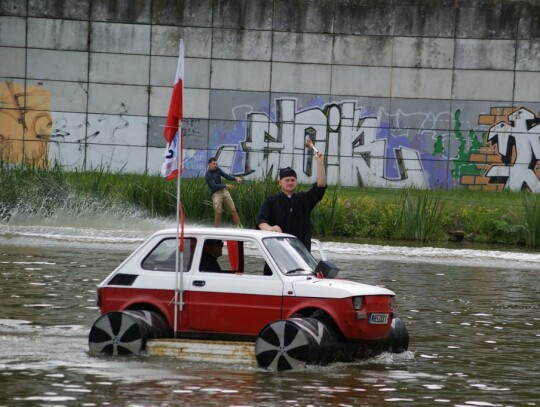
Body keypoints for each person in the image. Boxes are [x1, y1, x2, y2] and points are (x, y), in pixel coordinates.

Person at [256, 151, 327, 251]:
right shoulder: (271, 201)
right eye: (287, 180)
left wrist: (320, 163)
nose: (290, 183)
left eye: (293, 180)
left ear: (296, 182)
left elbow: (321, 186)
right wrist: (269, 229)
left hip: (300, 253)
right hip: (276, 252)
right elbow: (261, 221)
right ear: (280, 182)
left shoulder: (304, 200)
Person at [205, 157, 243, 227]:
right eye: (213, 164)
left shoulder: (218, 170)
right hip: (216, 194)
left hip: (224, 191)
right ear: (209, 164)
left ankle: (240, 226)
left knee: (233, 209)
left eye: (216, 164)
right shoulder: (208, 174)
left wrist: (235, 178)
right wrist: (225, 185)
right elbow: (214, 186)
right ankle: (216, 228)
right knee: (218, 212)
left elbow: (226, 176)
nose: (215, 165)